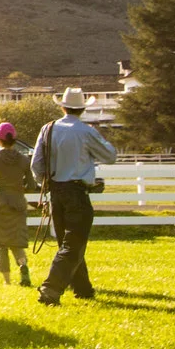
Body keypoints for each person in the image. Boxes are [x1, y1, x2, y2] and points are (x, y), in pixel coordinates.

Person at [29, 88, 116, 305]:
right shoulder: (85, 131)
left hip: (56, 192)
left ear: (63, 107)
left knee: (68, 243)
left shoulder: (48, 129)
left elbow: (36, 165)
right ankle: (51, 288)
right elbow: (110, 156)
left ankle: (83, 288)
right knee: (73, 244)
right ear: (82, 109)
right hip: (77, 191)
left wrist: (45, 183)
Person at [0, 121, 39, 286]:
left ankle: (7, 282)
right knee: (16, 242)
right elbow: (32, 185)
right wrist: (18, 188)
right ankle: (23, 266)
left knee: (1, 245)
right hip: (18, 204)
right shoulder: (23, 160)